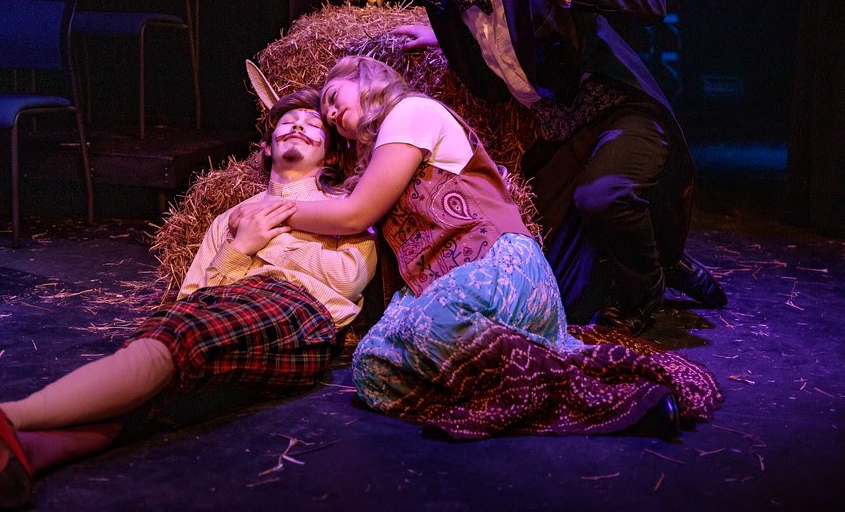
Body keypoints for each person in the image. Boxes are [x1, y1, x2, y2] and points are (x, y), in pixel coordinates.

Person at [0, 89, 377, 509]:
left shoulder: (346, 211)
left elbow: (347, 279)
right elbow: (196, 296)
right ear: (267, 148)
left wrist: (269, 237)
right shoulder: (230, 220)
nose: (298, 125)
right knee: (164, 375)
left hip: (299, 313)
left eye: (314, 124)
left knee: (184, 335)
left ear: (331, 156)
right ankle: (18, 456)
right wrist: (237, 249)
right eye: (287, 121)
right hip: (228, 316)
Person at [235, 56, 720, 440]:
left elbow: (353, 215)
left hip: (500, 266)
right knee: (371, 367)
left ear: (364, 78)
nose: (330, 113)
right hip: (438, 289)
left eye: (332, 98)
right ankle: (516, 394)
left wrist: (270, 211)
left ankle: (603, 396)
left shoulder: (410, 112)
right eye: (327, 114)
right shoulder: (376, 159)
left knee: (435, 322)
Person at [389, 0, 726, 334]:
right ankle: (662, 259)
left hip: (618, 110)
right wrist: (448, 40)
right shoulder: (447, 5)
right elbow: (498, 58)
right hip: (560, 131)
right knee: (541, 261)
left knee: (602, 196)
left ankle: (644, 297)